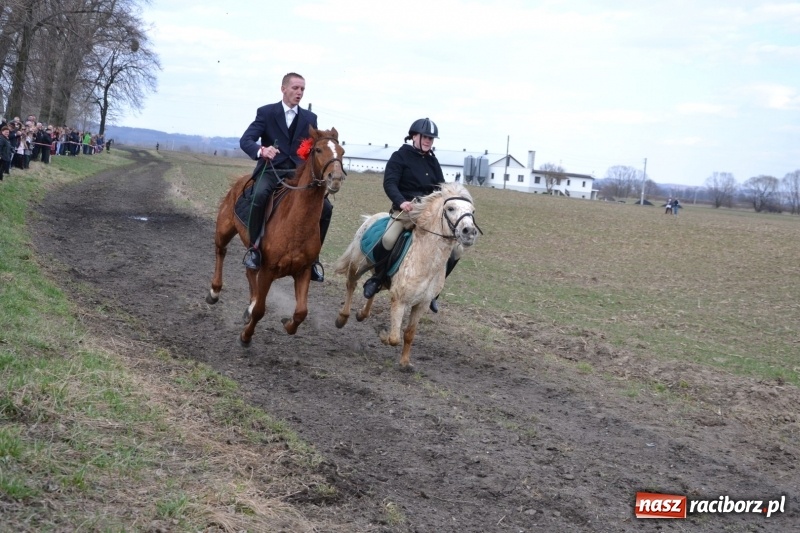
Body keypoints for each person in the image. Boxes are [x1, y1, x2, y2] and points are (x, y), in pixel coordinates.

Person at [238, 72, 329, 281]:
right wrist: (262, 150)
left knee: (327, 208)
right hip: (271, 170)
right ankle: (254, 249)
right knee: (259, 195)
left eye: (302, 89)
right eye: (296, 88)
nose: (299, 93)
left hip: (298, 174)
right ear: (283, 89)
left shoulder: (310, 118)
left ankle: (313, 259)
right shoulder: (266, 113)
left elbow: (314, 149)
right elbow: (246, 140)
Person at [362, 118, 456, 313]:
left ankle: (433, 291)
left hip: (429, 216)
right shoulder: (400, 156)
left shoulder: (432, 160)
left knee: (456, 250)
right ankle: (378, 278)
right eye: (426, 137)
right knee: (388, 239)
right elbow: (390, 183)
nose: (429, 141)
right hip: (406, 211)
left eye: (431, 138)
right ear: (414, 136)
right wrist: (401, 201)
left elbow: (441, 186)